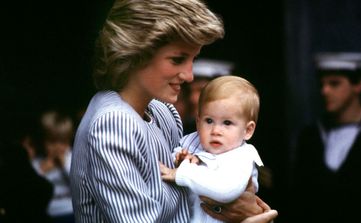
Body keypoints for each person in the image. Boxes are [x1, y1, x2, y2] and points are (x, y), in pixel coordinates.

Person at [70, 0, 277, 222]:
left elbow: (188, 202)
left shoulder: (163, 111)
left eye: (192, 59)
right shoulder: (113, 123)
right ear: (137, 53)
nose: (189, 75)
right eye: (177, 59)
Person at [289, 52, 361, 223]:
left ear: (358, 85)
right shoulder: (311, 137)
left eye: (334, 84)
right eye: (322, 84)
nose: (325, 91)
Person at [161, 75, 268, 223]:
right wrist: (180, 160)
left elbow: (225, 190)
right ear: (198, 122)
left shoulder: (242, 157)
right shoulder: (193, 142)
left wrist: (182, 172)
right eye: (209, 121)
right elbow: (171, 160)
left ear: (248, 130)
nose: (216, 130)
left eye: (227, 123)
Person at [31, 110, 75, 223]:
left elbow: (78, 182)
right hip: (49, 212)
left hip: (71, 209)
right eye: (52, 142)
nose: (57, 147)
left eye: (63, 142)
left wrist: (65, 165)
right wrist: (42, 170)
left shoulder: (72, 157)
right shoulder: (38, 162)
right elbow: (31, 187)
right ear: (42, 141)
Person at [180, 58, 234, 134]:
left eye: (202, 91)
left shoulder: (238, 130)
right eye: (189, 92)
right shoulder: (185, 130)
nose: (193, 99)